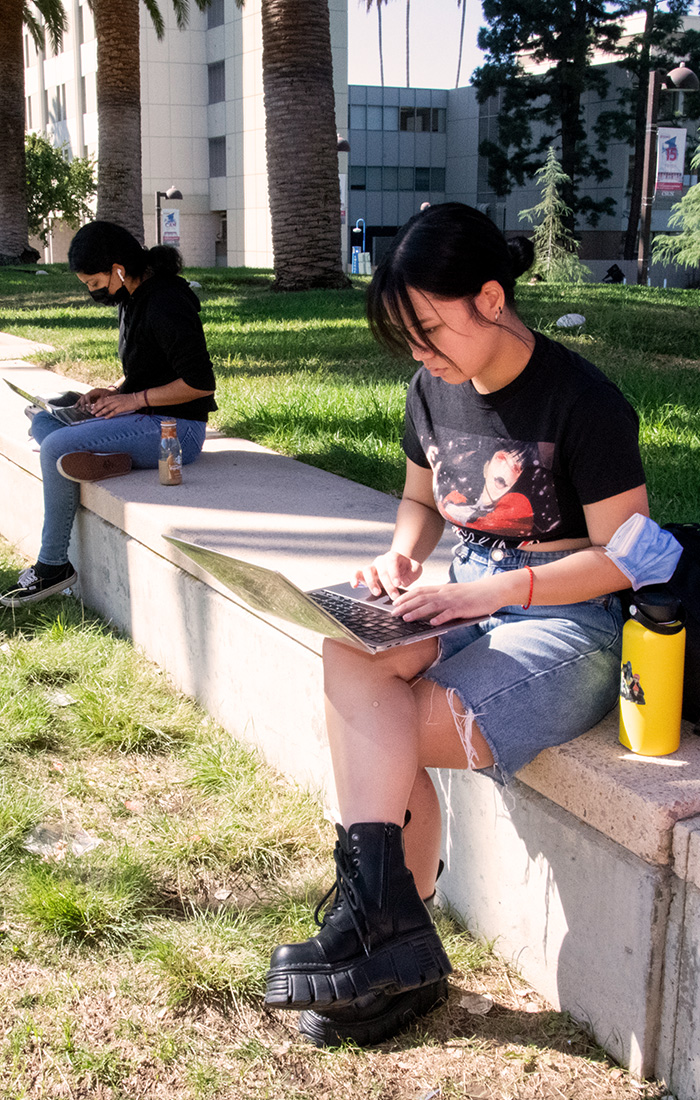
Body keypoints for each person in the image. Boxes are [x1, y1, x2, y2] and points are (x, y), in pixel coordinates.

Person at [263, 203, 648, 1047]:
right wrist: (403, 558)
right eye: (408, 337)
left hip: (566, 621)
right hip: (463, 592)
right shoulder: (431, 389)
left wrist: (486, 596)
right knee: (350, 654)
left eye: (432, 330)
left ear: (491, 297)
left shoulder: (582, 400)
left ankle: (391, 940)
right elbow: (418, 499)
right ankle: (393, 935)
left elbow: (630, 559)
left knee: (381, 727)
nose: (422, 354)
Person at [0, 221, 216, 608]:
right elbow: (148, 368)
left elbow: (200, 384)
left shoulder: (168, 301)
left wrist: (133, 401)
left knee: (54, 450)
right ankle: (105, 459)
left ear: (118, 268)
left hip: (177, 431)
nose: (92, 290)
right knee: (45, 419)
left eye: (94, 282)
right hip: (146, 416)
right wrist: (116, 391)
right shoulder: (133, 297)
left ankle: (53, 567)